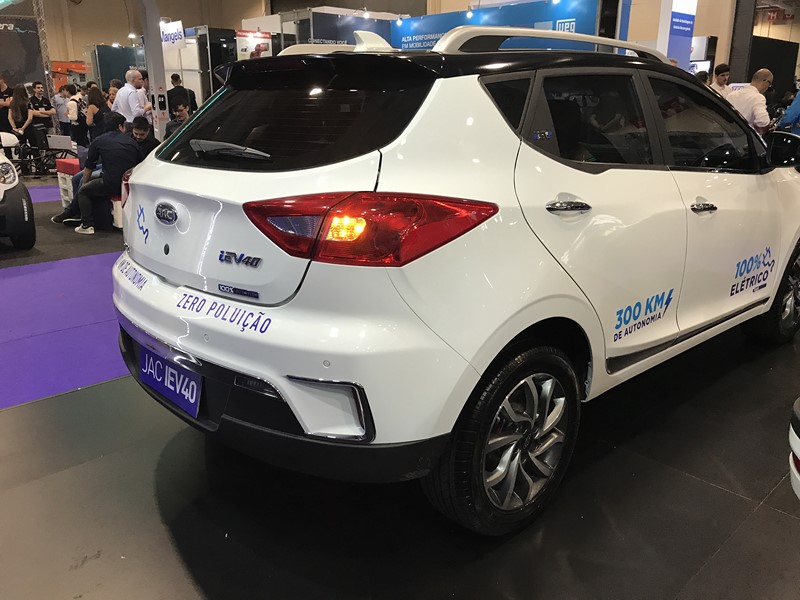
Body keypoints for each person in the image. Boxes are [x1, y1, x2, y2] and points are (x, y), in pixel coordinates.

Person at [52, 111, 142, 235]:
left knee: (83, 190)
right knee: (79, 180)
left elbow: (88, 168)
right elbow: (140, 164)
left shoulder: (99, 141)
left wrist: (85, 184)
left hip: (111, 182)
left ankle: (86, 224)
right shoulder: (131, 142)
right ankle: (76, 212)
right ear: (120, 126)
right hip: (127, 182)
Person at [727, 68, 773, 133]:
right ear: (765, 81)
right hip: (745, 136)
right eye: (769, 84)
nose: (768, 87)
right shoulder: (758, 97)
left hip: (728, 135)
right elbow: (763, 122)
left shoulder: (731, 95)